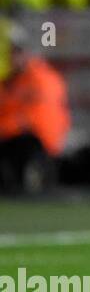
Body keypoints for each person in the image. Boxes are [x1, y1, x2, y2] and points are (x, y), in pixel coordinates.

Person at [0, 25, 70, 195]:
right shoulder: (15, 80)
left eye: (15, 52)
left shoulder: (42, 79)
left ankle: (32, 175)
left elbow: (40, 119)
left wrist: (5, 127)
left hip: (38, 141)